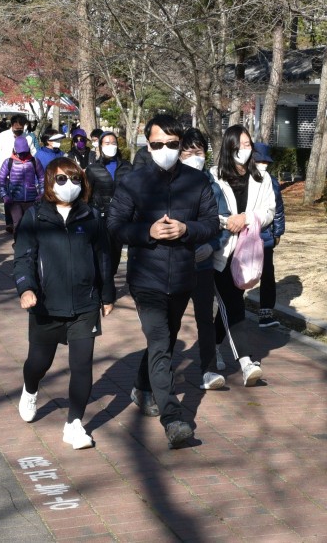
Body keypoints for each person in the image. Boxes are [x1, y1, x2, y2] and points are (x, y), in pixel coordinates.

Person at [107, 114, 219, 448]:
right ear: (147, 144)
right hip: (146, 278)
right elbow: (113, 226)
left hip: (184, 276)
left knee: (165, 343)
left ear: (181, 145)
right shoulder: (133, 181)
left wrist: (187, 229)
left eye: (172, 145)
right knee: (159, 342)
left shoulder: (197, 182)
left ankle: (142, 386)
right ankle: (173, 419)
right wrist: (148, 232)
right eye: (158, 145)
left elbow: (212, 223)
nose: (165, 150)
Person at [14, 158, 116, 449]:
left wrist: (107, 295)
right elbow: (24, 259)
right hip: (46, 305)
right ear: (48, 181)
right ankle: (30, 388)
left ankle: (74, 424)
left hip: (84, 305)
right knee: (38, 363)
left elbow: (103, 259)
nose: (68, 186)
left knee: (82, 365)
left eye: (74, 180)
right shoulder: (35, 217)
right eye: (61, 179)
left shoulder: (92, 217)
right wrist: (26, 289)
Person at [210, 125, 275, 386]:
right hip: (221, 249)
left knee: (230, 301)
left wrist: (246, 218)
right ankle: (246, 362)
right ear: (228, 147)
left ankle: (213, 344)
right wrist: (227, 223)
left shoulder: (262, 177)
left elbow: (269, 211)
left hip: (247, 251)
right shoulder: (213, 176)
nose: (244, 150)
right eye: (239, 145)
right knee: (233, 303)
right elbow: (205, 211)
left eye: (248, 144)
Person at [180, 128, 229, 390]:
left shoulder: (213, 186)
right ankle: (153, 377)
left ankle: (208, 369)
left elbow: (224, 223)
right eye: (188, 151)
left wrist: (212, 246)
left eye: (199, 151)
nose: (194, 156)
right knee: (167, 323)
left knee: (205, 317)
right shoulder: (169, 184)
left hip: (203, 264)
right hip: (173, 265)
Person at [86, 131, 133, 277]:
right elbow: (87, 194)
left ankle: (109, 280)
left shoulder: (127, 167)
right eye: (107, 143)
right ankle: (101, 284)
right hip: (100, 216)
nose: (110, 146)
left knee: (115, 253)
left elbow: (133, 192)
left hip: (120, 217)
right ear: (100, 146)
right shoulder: (93, 169)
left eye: (113, 143)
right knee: (100, 252)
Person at [252, 143, 285, 328]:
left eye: (266, 161)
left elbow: (278, 209)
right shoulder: (242, 180)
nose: (263, 164)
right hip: (244, 236)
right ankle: (235, 309)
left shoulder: (272, 181)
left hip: (266, 237)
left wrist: (278, 232)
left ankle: (266, 313)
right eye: (259, 160)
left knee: (267, 273)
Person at [0, 136, 45, 237]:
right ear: (15, 150)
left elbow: (42, 178)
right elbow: (1, 180)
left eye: (24, 152)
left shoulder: (34, 161)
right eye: (20, 152)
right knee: (18, 224)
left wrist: (41, 193)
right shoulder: (8, 162)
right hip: (14, 200)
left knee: (32, 224)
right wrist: (4, 195)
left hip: (32, 199)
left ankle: (31, 247)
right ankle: (18, 245)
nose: (22, 155)